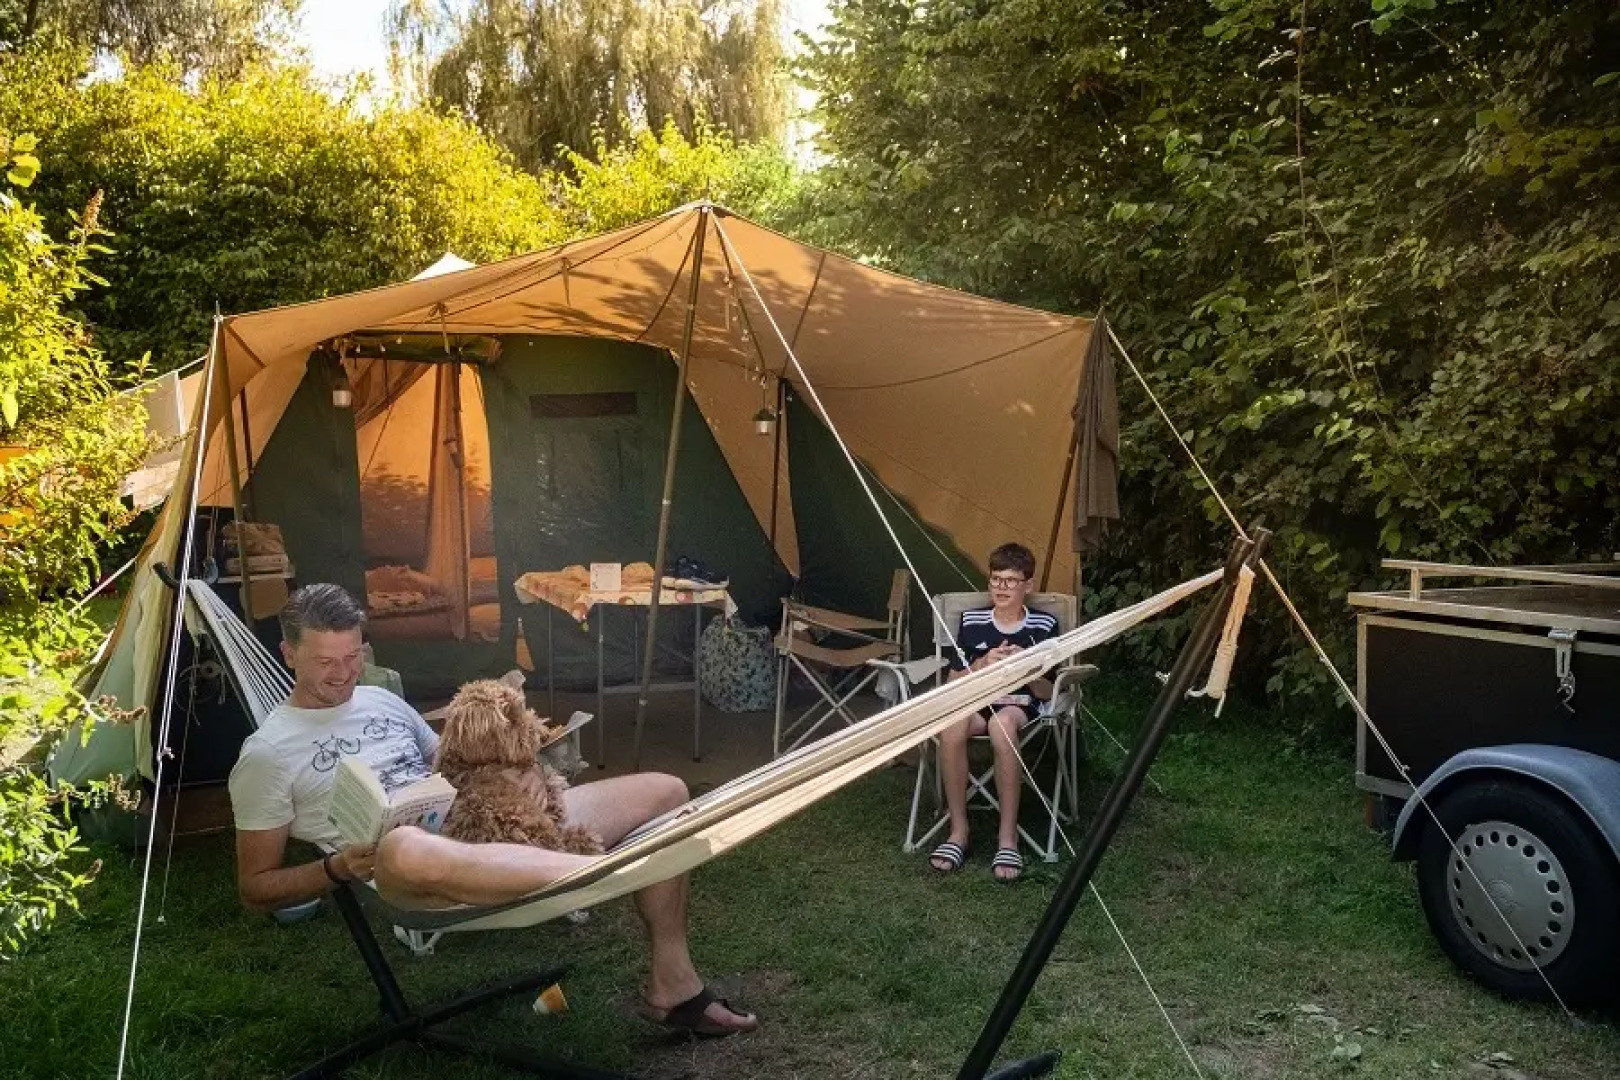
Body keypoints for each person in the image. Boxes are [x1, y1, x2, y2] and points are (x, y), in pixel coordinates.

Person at [227, 582, 758, 1037]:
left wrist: (516, 770)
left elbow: (453, 763)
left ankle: (674, 983)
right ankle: (601, 874)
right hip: (405, 873)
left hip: (481, 825)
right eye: (325, 662)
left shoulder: (381, 701)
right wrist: (335, 867)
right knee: (403, 844)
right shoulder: (269, 754)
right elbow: (255, 887)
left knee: (665, 790)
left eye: (353, 656)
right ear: (288, 654)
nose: (344, 674)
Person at [928, 543, 1057, 882]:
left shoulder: (1044, 625)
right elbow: (952, 680)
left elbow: (1049, 690)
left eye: (1010, 581)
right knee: (952, 724)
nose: (1001, 587)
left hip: (1020, 705)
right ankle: (959, 832)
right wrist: (982, 664)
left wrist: (1027, 668)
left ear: (1027, 585)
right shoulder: (972, 622)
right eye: (995, 579)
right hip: (976, 699)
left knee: (1002, 725)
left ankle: (1007, 839)